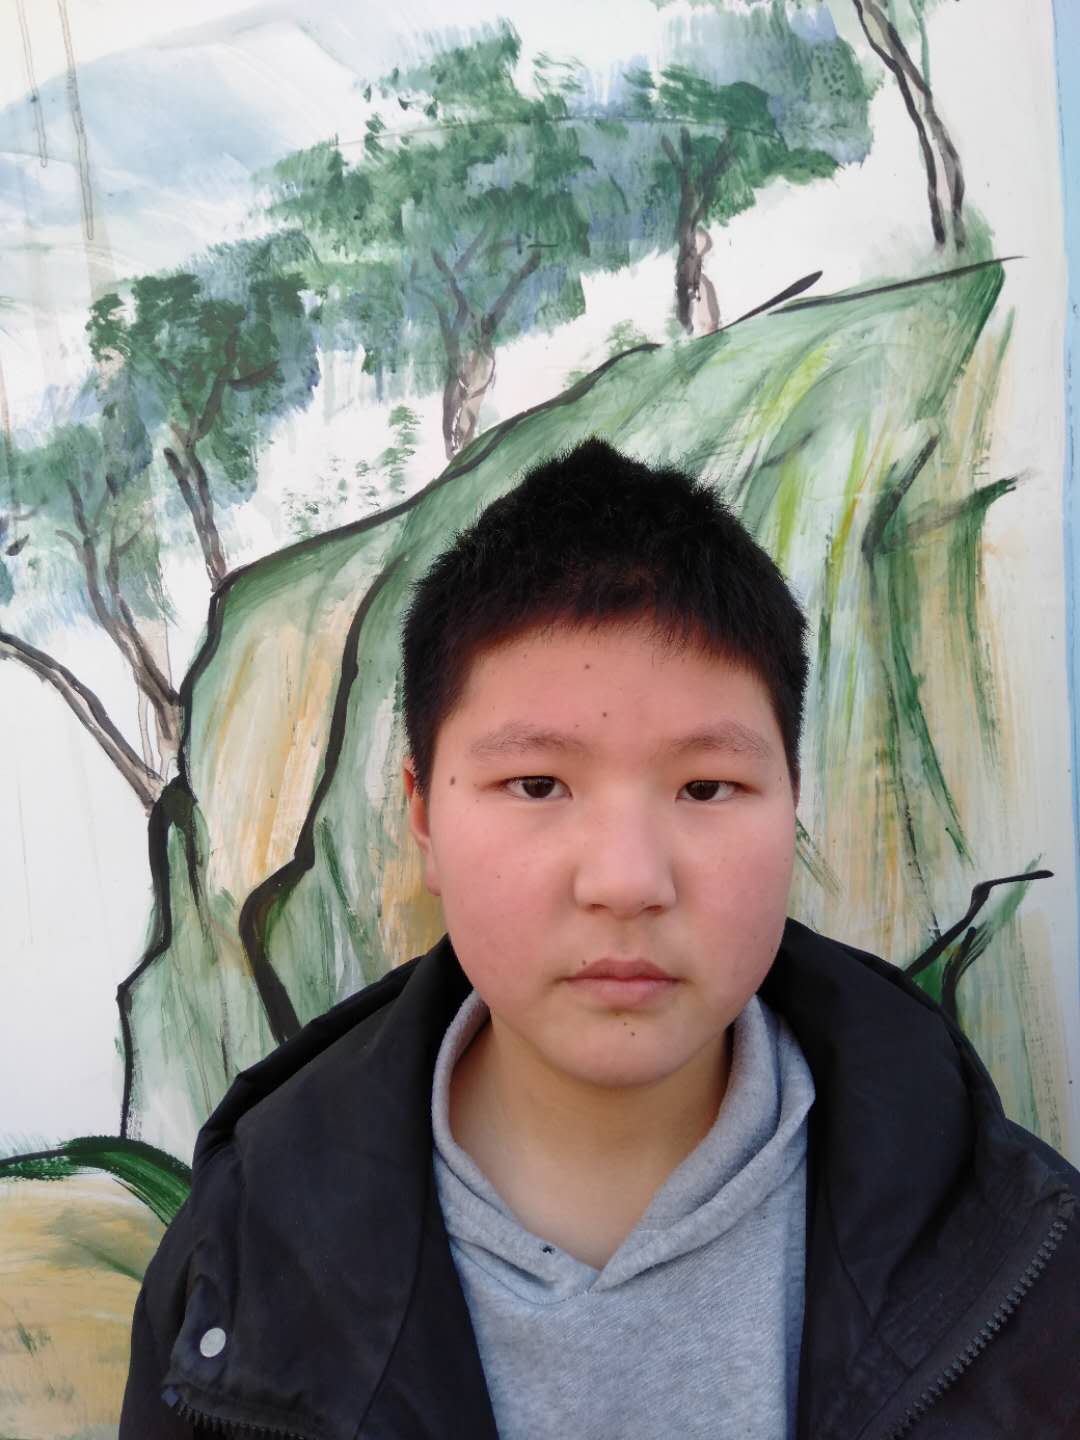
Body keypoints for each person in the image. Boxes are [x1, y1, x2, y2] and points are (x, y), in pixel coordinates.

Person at [120, 439, 1080, 1439]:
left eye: (706, 787)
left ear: (792, 801)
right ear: (423, 816)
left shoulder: (1016, 1251)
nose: (626, 881)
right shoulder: (235, 1272)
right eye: (537, 784)